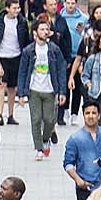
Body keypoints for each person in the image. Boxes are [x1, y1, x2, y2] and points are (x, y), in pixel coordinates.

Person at [19, 18, 69, 159]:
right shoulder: (28, 51)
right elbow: (22, 72)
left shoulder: (54, 50)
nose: (45, 32)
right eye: (42, 29)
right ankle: (39, 148)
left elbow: (60, 70)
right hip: (34, 89)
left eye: (47, 29)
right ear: (35, 33)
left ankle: (46, 139)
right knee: (36, 119)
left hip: (50, 89)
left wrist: (62, 91)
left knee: (49, 119)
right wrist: (21, 93)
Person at [0, 0, 29, 125]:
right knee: (1, 85)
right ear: (7, 9)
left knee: (13, 88)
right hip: (1, 56)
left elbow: (26, 39)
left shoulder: (22, 22)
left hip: (16, 56)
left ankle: (11, 115)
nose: (17, 10)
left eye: (18, 8)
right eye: (14, 8)